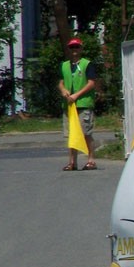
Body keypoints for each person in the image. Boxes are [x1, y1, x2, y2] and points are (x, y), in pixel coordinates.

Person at [59, 37, 98, 171]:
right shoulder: (64, 65)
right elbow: (61, 82)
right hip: (69, 105)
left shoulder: (87, 64)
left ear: (81, 48)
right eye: (72, 47)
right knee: (71, 134)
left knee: (86, 132)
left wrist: (77, 95)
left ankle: (91, 160)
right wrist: (63, 90)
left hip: (83, 103)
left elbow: (91, 83)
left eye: (76, 47)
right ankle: (72, 162)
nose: (74, 50)